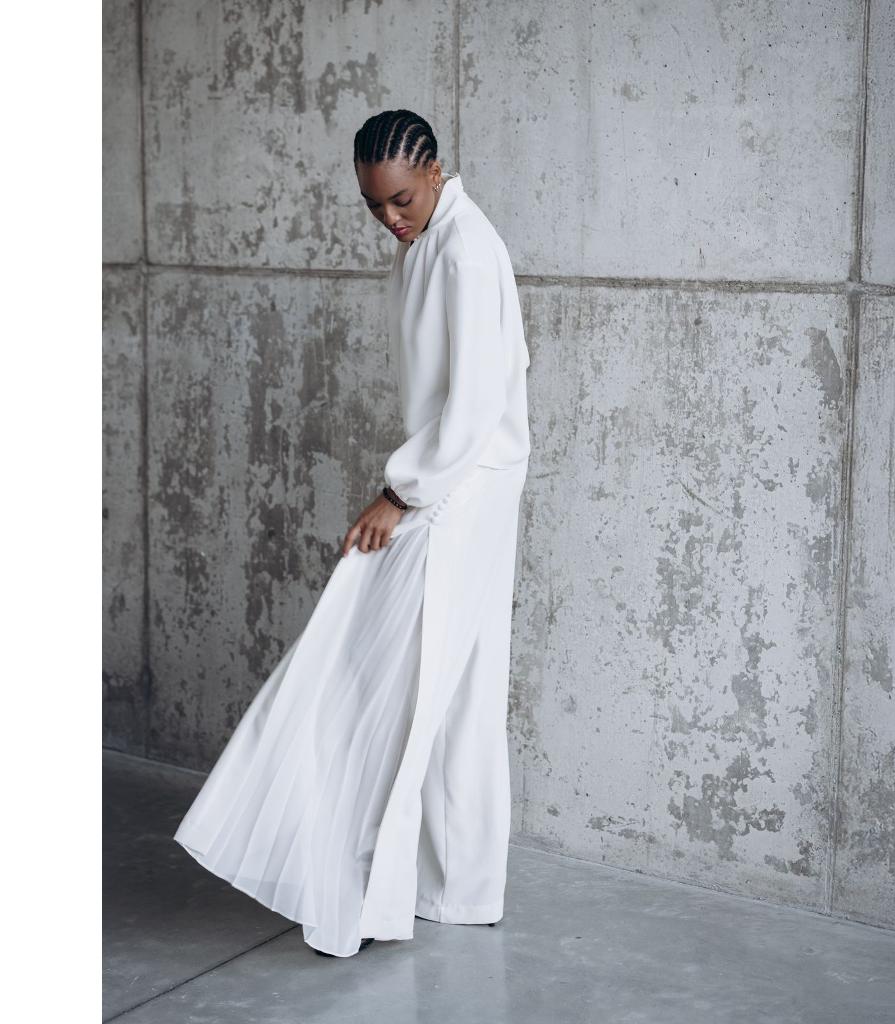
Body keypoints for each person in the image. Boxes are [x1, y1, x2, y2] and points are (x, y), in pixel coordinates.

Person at [172, 108, 532, 959]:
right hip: (462, 479)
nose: (389, 218)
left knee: (398, 680)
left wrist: (399, 494)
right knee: (453, 689)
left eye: (401, 198)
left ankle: (373, 890)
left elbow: (478, 402)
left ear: (436, 171)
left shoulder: (465, 248)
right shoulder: (428, 242)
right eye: (374, 204)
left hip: (460, 486)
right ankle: (456, 890)